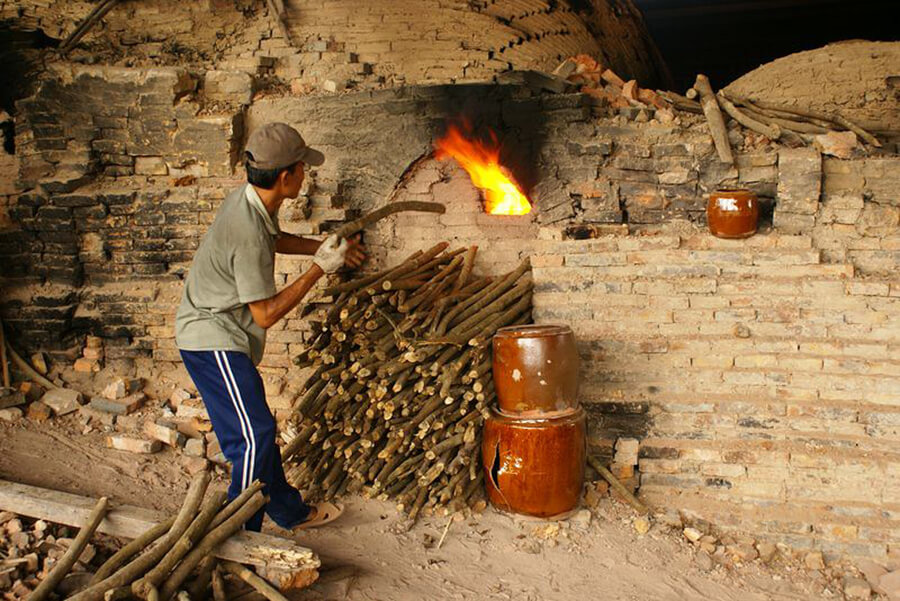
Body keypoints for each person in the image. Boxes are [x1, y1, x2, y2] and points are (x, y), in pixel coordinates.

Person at [175, 122, 365, 531]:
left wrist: (319, 247)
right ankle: (237, 535)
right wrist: (320, 268)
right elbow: (265, 315)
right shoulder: (245, 230)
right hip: (211, 339)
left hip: (220, 333)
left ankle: (288, 511)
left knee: (255, 427)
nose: (305, 175)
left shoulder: (251, 201)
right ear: (285, 177)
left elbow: (273, 238)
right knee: (252, 436)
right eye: (301, 169)